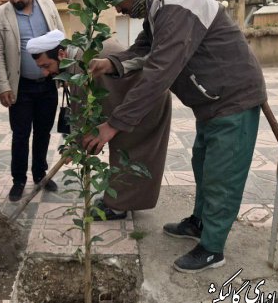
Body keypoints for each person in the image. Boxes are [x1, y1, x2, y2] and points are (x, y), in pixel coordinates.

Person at [85, 0, 267, 273]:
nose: (122, 11)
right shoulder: (157, 6)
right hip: (211, 101)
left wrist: (112, 125)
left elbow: (157, 75)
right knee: (203, 163)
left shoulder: (175, 7)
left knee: (222, 174)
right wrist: (111, 63)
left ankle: (212, 248)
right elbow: (144, 50)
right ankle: (200, 222)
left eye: (120, 2)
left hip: (234, 98)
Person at [26, 30, 172, 221]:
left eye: (46, 65)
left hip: (146, 104)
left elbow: (81, 112)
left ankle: (119, 206)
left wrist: (75, 144)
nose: (46, 73)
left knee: (130, 153)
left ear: (61, 54)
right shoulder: (80, 51)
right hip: (135, 101)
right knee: (128, 151)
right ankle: (124, 201)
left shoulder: (81, 67)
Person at [0, 0, 65, 201]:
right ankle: (18, 180)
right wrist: (4, 86)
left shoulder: (48, 5)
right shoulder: (0, 15)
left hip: (48, 83)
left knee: (43, 131)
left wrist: (64, 71)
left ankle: (40, 174)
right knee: (20, 134)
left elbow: (60, 38)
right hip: (20, 86)